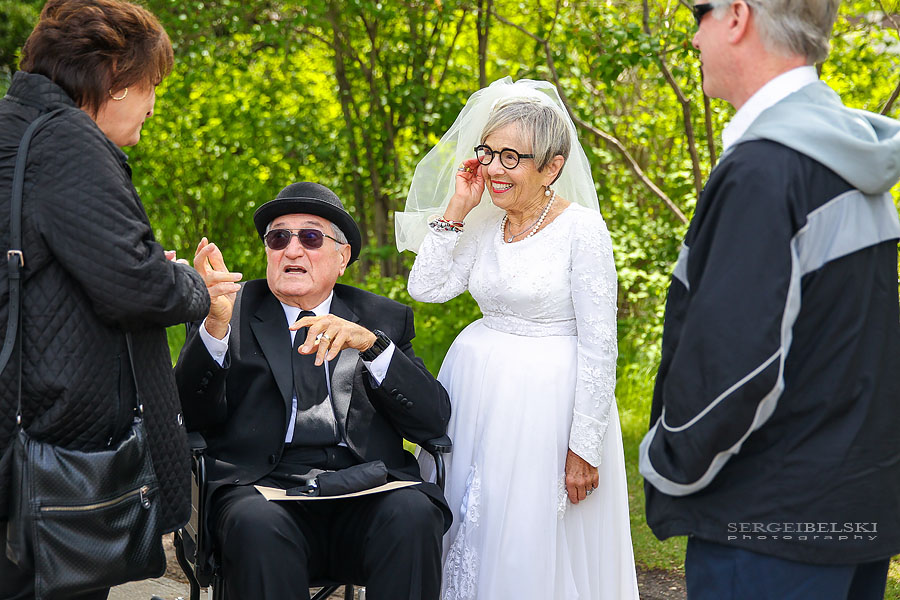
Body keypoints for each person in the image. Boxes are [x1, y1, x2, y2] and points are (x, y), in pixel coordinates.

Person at [639, 1, 900, 598]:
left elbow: (735, 370)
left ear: (736, 16)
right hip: (850, 514)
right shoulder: (847, 157)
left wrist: (666, 461)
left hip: (767, 525)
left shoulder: (766, 169)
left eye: (698, 12)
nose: (694, 35)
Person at [0, 0, 210, 598]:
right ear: (115, 78)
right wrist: (193, 287)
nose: (152, 103)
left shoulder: (13, 129)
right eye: (150, 86)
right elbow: (135, 288)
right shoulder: (67, 140)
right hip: (52, 448)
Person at [399, 77, 638, 600]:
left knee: (528, 535)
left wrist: (584, 446)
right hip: (476, 393)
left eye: (512, 157)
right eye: (489, 153)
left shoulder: (583, 230)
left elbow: (601, 345)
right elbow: (428, 287)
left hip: (545, 408)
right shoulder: (485, 225)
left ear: (552, 167)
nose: (494, 169)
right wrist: (458, 206)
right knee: (467, 520)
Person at [175, 181, 451, 600]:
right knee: (255, 525)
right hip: (263, 490)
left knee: (413, 514)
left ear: (342, 258)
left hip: (365, 487)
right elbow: (188, 416)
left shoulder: (379, 318)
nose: (292, 249)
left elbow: (431, 420)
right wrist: (214, 327)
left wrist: (371, 345)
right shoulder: (229, 310)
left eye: (310, 236)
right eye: (278, 237)